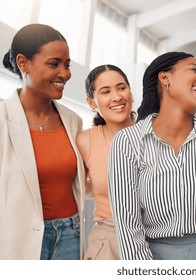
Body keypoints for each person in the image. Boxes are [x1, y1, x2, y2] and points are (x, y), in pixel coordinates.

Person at [108, 51, 196, 260]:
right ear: (165, 78)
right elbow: (128, 226)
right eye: (194, 70)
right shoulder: (127, 142)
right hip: (151, 257)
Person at [0, 23, 85, 259]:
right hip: (20, 239)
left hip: (72, 235)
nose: (65, 73)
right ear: (23, 63)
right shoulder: (2, 121)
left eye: (67, 65)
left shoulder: (73, 121)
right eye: (54, 64)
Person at [76, 64, 136, 260]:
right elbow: (75, 188)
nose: (117, 97)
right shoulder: (85, 141)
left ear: (131, 93)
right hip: (108, 242)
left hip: (155, 238)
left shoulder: (155, 134)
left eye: (121, 88)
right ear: (92, 103)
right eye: (105, 91)